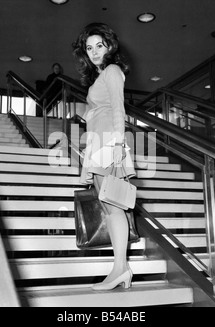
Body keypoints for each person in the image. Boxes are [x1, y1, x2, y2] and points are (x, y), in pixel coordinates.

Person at [72, 23, 136, 291]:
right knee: (110, 207)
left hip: (109, 142)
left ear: (110, 46)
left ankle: (121, 268)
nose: (94, 51)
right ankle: (120, 268)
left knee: (113, 206)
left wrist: (118, 143)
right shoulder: (100, 75)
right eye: (89, 47)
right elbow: (100, 111)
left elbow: (118, 108)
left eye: (99, 45)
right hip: (99, 142)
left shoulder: (112, 70)